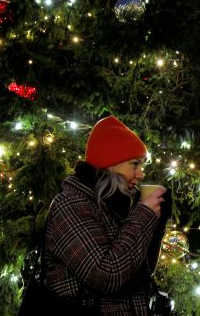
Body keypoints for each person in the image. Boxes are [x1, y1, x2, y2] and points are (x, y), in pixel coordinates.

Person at [44, 115, 172, 315]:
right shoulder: (70, 205)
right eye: (135, 164)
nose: (141, 174)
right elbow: (106, 275)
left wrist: (156, 226)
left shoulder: (116, 204)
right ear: (111, 163)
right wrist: (143, 215)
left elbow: (140, 271)